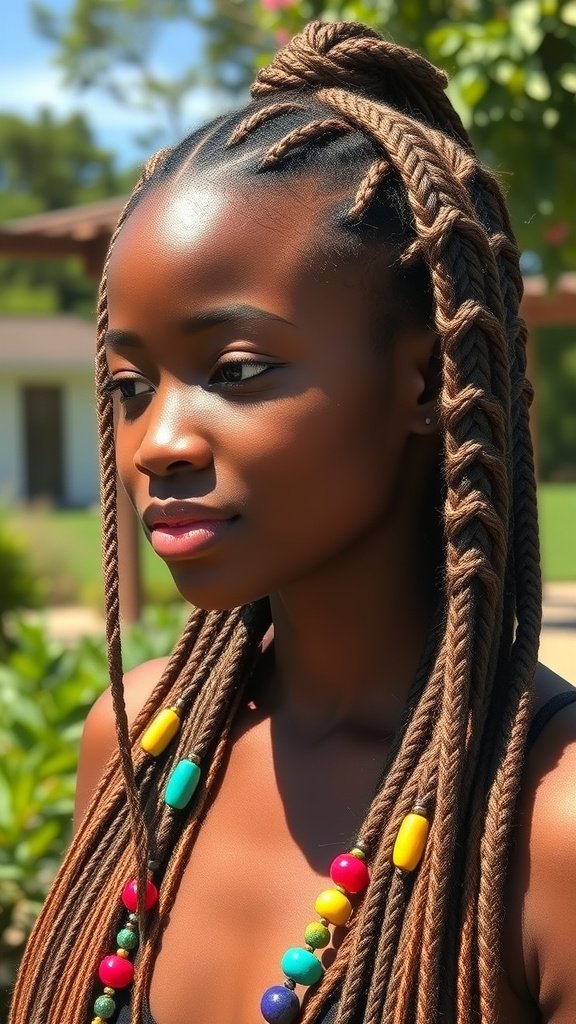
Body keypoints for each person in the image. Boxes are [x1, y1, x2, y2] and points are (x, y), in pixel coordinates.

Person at [9, 20, 576, 1024]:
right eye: (131, 386)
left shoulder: (546, 816)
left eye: (236, 370)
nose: (157, 443)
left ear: (427, 381)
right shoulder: (137, 744)